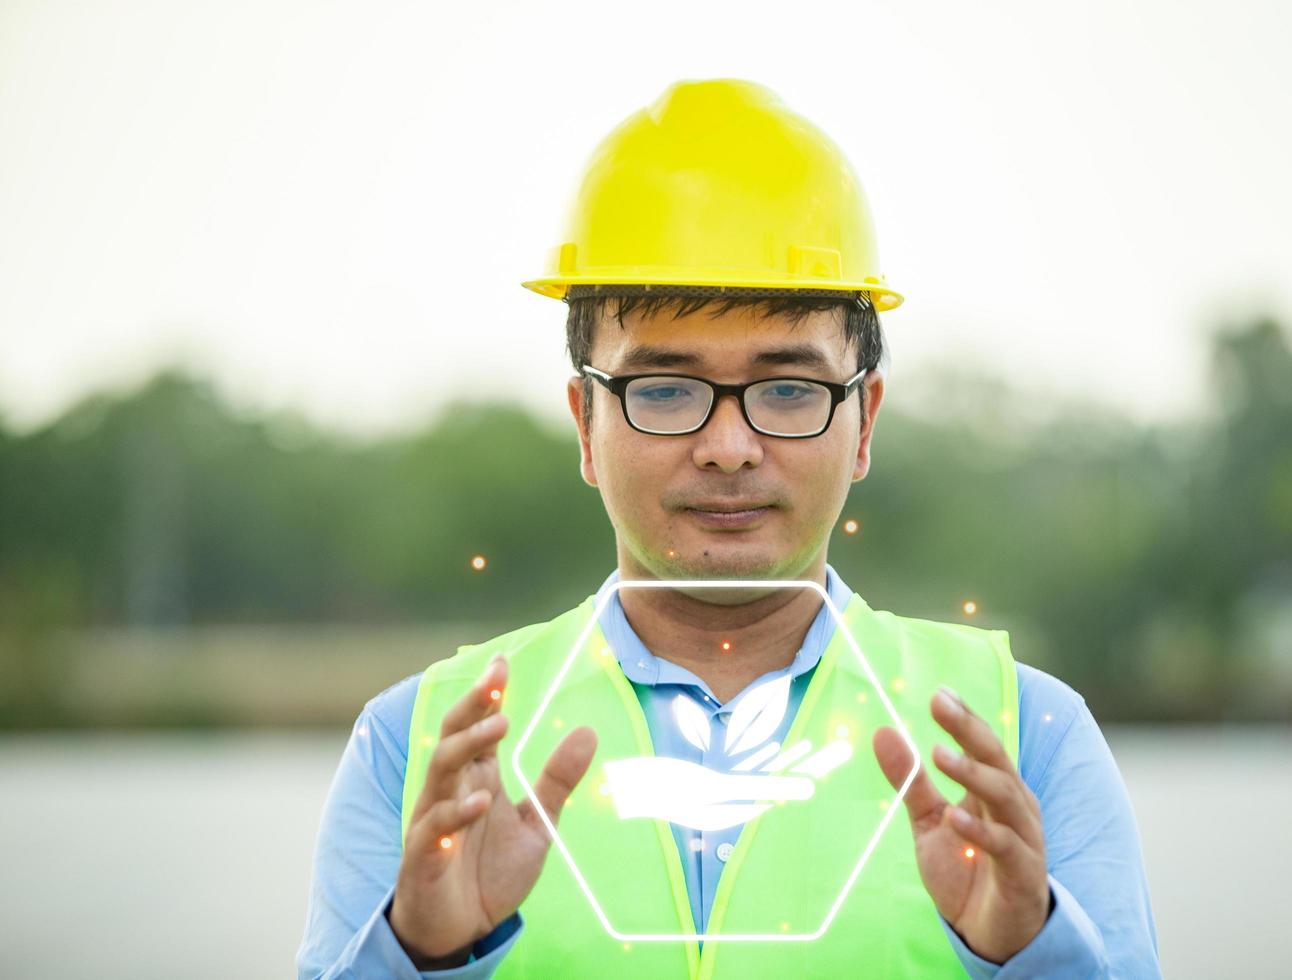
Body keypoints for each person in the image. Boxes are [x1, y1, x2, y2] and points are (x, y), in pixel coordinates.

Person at [297, 78, 1160, 978]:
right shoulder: (419, 748)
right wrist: (419, 958)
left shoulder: (1028, 738)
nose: (729, 445)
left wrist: (1032, 955)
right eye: (665, 389)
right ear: (584, 423)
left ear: (864, 421)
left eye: (788, 389)